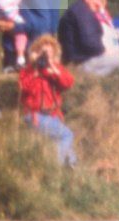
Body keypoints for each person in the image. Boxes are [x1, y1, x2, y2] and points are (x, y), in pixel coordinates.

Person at [18, 35, 77, 168]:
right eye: (42, 52)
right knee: (67, 135)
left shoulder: (56, 68)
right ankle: (54, 168)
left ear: (54, 54)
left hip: (53, 115)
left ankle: (71, 172)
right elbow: (23, 88)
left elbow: (68, 83)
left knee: (70, 154)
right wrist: (35, 70)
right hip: (35, 115)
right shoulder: (28, 70)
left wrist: (54, 70)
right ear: (35, 53)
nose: (45, 56)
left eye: (49, 53)